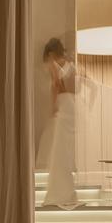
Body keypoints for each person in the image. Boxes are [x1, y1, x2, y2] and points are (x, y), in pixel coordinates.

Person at [41, 38, 82, 209]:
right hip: (72, 106)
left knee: (59, 154)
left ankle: (58, 193)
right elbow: (79, 88)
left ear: (51, 53)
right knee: (64, 152)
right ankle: (67, 191)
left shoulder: (54, 65)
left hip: (63, 107)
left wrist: (53, 106)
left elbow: (56, 85)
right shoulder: (72, 66)